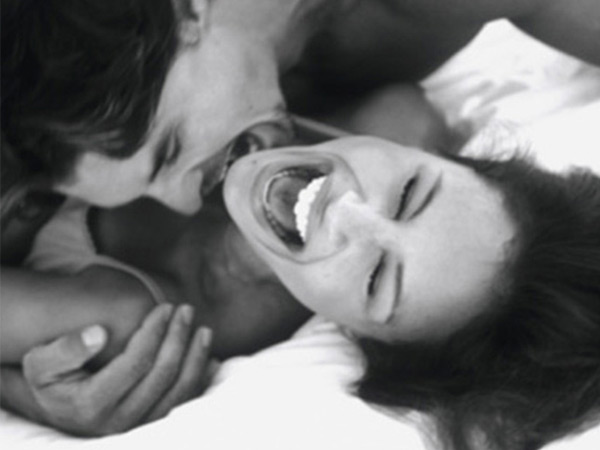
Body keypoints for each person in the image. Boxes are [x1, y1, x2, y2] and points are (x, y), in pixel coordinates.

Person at [3, 0, 599, 437]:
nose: (350, 215)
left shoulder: (138, 310)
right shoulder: (392, 124)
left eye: (377, 279)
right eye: (409, 193)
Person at [222, 136, 600, 450]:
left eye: (375, 279)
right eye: (408, 194)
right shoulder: (386, 100)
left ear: (356, 334)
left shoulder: (220, 319)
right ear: (434, 153)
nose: (343, 212)